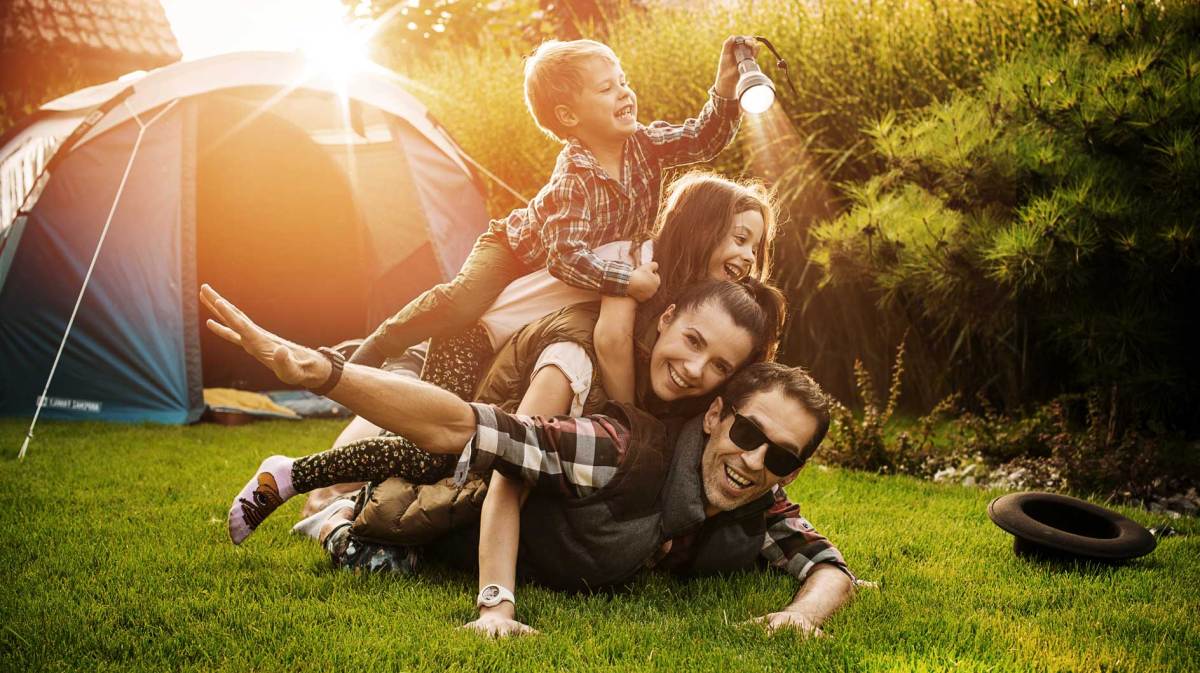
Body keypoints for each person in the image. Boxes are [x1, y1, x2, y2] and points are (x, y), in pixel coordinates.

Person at [202, 285, 856, 636]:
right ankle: (317, 494)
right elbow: (471, 427)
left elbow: (828, 566)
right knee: (386, 516)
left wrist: (801, 615)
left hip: (484, 457)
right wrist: (323, 370)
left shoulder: (752, 494)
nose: (753, 458)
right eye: (747, 431)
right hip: (453, 504)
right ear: (718, 416)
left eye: (779, 454)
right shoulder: (618, 442)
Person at [302, 171, 778, 515]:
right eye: (739, 238)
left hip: (517, 348)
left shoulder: (687, 299)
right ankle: (321, 487)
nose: (747, 256)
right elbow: (611, 339)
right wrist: (635, 417)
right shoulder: (636, 259)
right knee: (428, 426)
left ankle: (329, 485)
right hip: (485, 334)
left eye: (754, 247)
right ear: (702, 226)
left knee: (442, 432)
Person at [225, 277, 784, 544]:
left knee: (431, 468)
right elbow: (503, 451)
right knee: (430, 459)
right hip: (476, 404)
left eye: (718, 366)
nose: (695, 368)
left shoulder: (683, 411)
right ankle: (296, 475)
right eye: (692, 341)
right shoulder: (575, 359)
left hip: (485, 419)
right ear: (664, 320)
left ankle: (316, 491)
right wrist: (497, 598)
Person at [346, 36, 756, 370]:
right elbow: (564, 256)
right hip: (513, 250)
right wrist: (626, 281)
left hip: (587, 259)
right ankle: (382, 343)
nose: (624, 92)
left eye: (623, 81)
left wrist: (725, 87)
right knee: (464, 304)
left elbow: (703, 139)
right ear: (569, 116)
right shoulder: (574, 177)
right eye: (606, 88)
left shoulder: (644, 144)